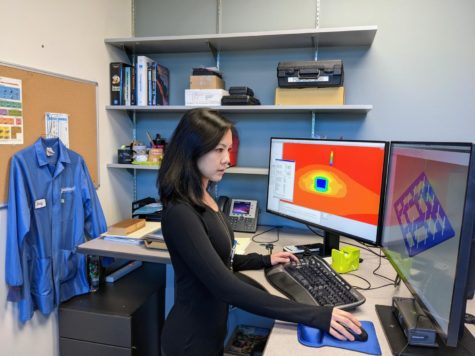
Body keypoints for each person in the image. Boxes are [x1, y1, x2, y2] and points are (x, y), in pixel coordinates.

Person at [158, 108, 363, 355]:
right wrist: (317, 315)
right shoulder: (181, 212)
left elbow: (220, 259)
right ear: (193, 150)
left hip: (210, 334)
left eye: (228, 150)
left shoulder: (204, 196)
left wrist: (265, 260)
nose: (227, 159)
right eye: (219, 150)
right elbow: (226, 286)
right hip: (190, 341)